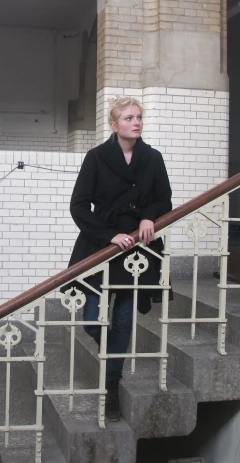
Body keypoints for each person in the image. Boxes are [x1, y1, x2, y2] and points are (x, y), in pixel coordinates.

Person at [68, 96, 173, 422]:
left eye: (139, 117)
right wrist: (108, 235)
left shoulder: (153, 158)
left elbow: (163, 198)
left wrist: (149, 218)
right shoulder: (96, 157)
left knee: (125, 320)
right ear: (114, 125)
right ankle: (112, 351)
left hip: (138, 252)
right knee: (91, 318)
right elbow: (79, 205)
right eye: (129, 118)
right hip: (103, 246)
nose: (136, 122)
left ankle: (112, 383)